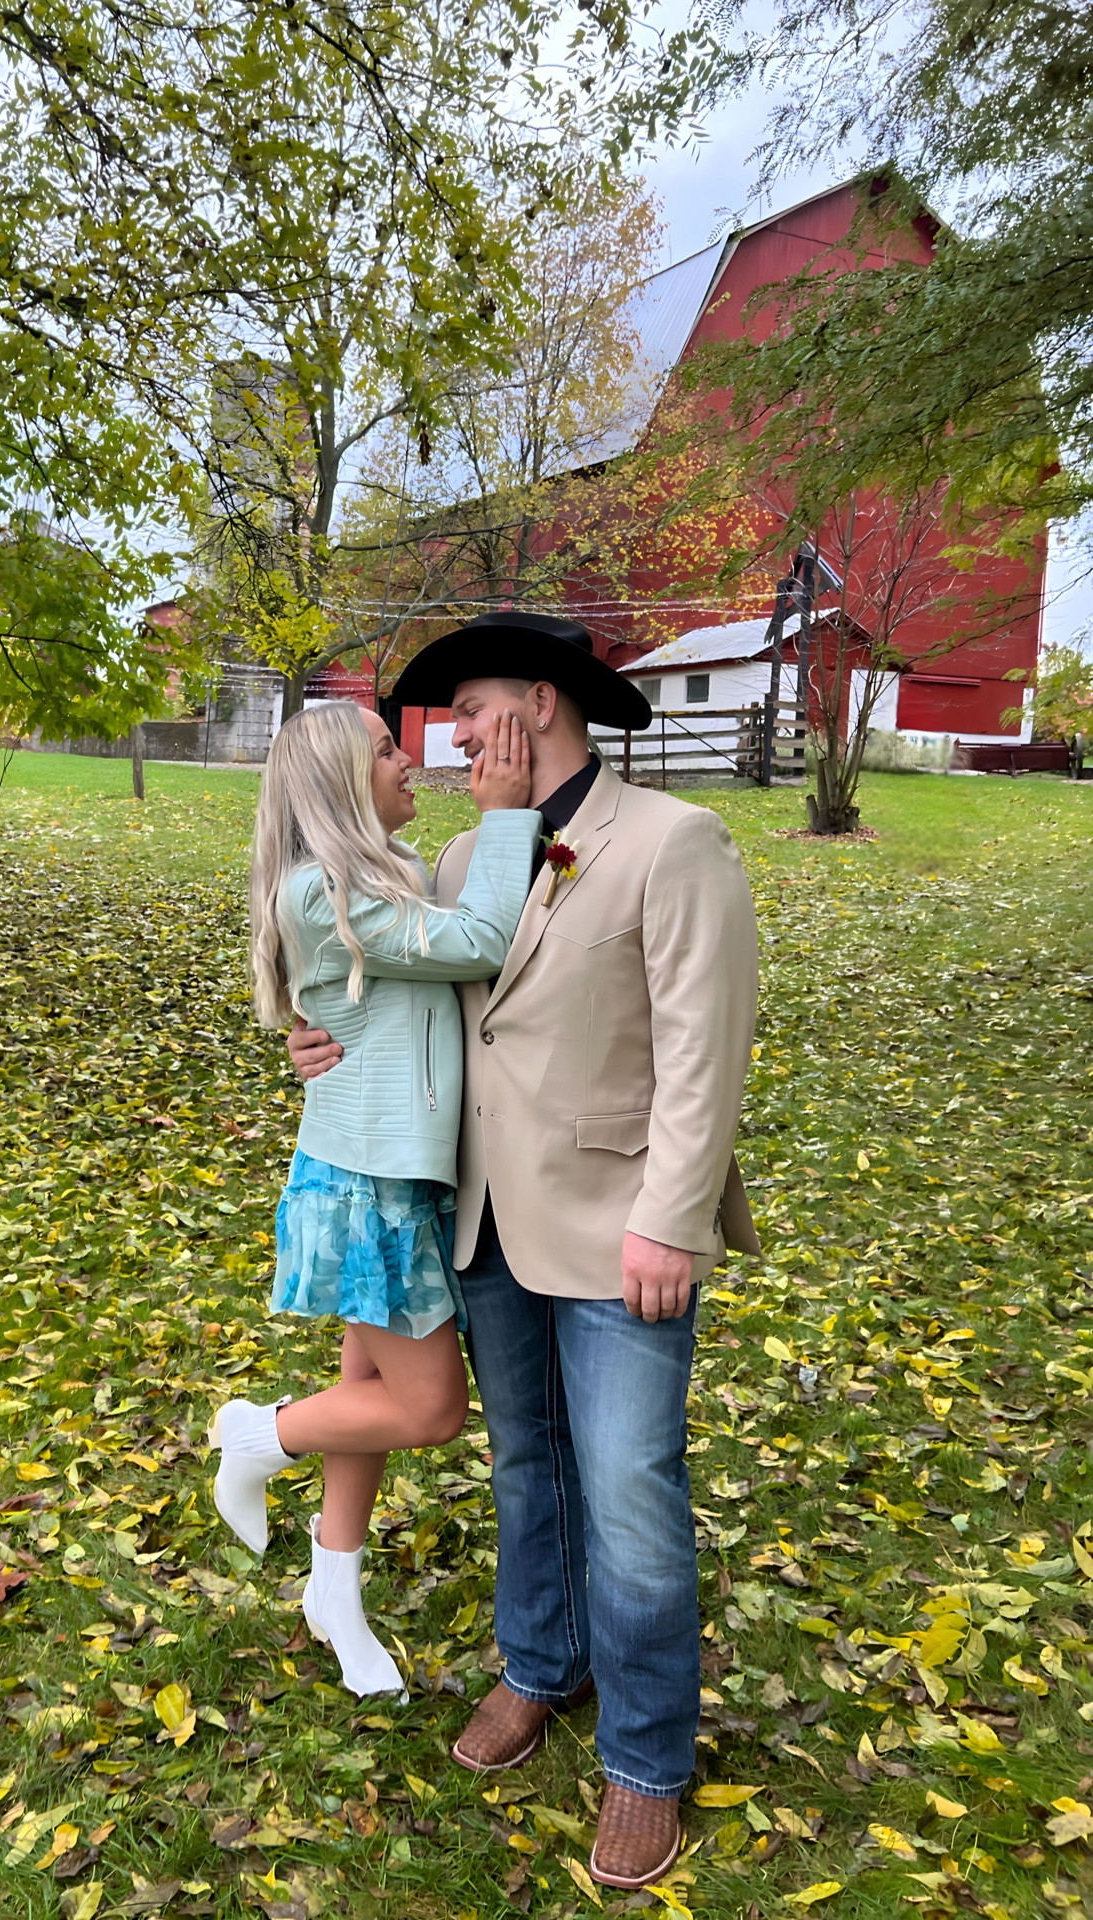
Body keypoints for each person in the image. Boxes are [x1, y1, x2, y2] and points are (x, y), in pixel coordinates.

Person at [288, 612, 760, 1890]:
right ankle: (540, 1667)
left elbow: (705, 1051)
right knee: (525, 1467)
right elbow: (415, 993)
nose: (445, 735)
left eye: (468, 706)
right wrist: (317, 1039)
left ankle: (648, 1759)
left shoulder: (673, 843)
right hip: (483, 1219)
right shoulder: (456, 855)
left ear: (538, 705)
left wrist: (673, 1214)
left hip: (620, 1233)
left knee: (633, 1494)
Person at [212, 698, 542, 1698]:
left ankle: (334, 1595)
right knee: (429, 1408)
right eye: (388, 751)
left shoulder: (378, 880)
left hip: (401, 1173)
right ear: (336, 785)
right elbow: (483, 938)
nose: (414, 761)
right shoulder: (322, 895)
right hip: (369, 1185)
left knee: (371, 1399)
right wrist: (508, 815)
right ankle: (257, 1435)